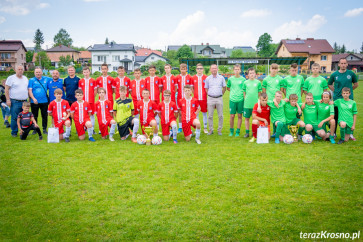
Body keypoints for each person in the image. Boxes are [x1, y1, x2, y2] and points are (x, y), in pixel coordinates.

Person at [328, 58, 359, 141]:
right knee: (335, 116)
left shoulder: (351, 74)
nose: (343, 65)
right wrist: (336, 91)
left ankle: (350, 134)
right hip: (337, 99)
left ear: (347, 64)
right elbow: (329, 84)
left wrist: (348, 92)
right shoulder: (334, 74)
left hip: (349, 99)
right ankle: (333, 133)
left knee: (349, 116)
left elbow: (356, 84)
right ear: (339, 64)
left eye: (345, 63)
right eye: (341, 63)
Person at [5, 65, 29, 137]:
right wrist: (8, 99)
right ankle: (14, 132)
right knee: (15, 117)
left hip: (24, 101)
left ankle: (23, 131)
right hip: (15, 101)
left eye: (21, 69)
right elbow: (6, 89)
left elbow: (27, 89)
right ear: (15, 70)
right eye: (19, 69)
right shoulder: (11, 78)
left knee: (24, 117)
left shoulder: (25, 78)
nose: (20, 70)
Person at [28, 66, 51, 135]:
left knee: (44, 116)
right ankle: (35, 129)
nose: (38, 73)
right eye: (36, 72)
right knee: (34, 116)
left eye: (39, 72)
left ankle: (44, 129)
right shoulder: (31, 80)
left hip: (44, 101)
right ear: (34, 73)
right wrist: (33, 98)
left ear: (42, 72)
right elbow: (30, 90)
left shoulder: (46, 79)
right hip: (34, 101)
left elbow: (55, 79)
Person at [205, 63, 226, 135]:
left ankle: (219, 130)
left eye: (215, 68)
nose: (214, 69)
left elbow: (224, 88)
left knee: (220, 115)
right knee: (210, 115)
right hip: (210, 98)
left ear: (217, 69)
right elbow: (206, 88)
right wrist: (210, 95)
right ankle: (211, 130)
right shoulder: (208, 78)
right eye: (212, 68)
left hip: (219, 98)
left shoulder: (221, 78)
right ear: (210, 70)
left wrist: (220, 94)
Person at [242, 67, 262, 138]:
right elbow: (244, 93)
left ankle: (255, 133)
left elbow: (260, 94)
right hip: (247, 104)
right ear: (248, 74)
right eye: (250, 73)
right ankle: (247, 132)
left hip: (255, 105)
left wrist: (257, 102)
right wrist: (246, 99)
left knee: (255, 119)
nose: (252, 74)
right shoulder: (245, 82)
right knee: (247, 119)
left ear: (255, 74)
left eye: (253, 73)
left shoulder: (258, 82)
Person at [227, 64, 245, 137]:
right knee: (232, 116)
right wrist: (233, 92)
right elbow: (228, 87)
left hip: (240, 99)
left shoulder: (243, 79)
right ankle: (231, 131)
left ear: (240, 70)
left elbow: (244, 89)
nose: (237, 71)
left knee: (240, 115)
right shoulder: (230, 79)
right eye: (235, 69)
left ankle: (238, 131)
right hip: (232, 100)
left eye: (238, 69)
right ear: (233, 70)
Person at [175, 63, 193, 133]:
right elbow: (176, 88)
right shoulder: (177, 77)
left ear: (186, 69)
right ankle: (180, 127)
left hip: (188, 98)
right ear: (180, 69)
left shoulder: (189, 77)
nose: (183, 70)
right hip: (180, 98)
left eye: (184, 69)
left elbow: (191, 88)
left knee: (188, 113)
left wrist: (191, 96)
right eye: (182, 69)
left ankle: (189, 126)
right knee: (180, 113)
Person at [192, 63, 208, 134]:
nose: (199, 70)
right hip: (196, 99)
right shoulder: (193, 78)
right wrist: (194, 95)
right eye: (198, 68)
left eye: (201, 68)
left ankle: (205, 128)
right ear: (196, 69)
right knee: (196, 114)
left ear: (203, 69)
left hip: (204, 99)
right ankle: (197, 128)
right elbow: (192, 88)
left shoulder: (206, 77)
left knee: (204, 113)